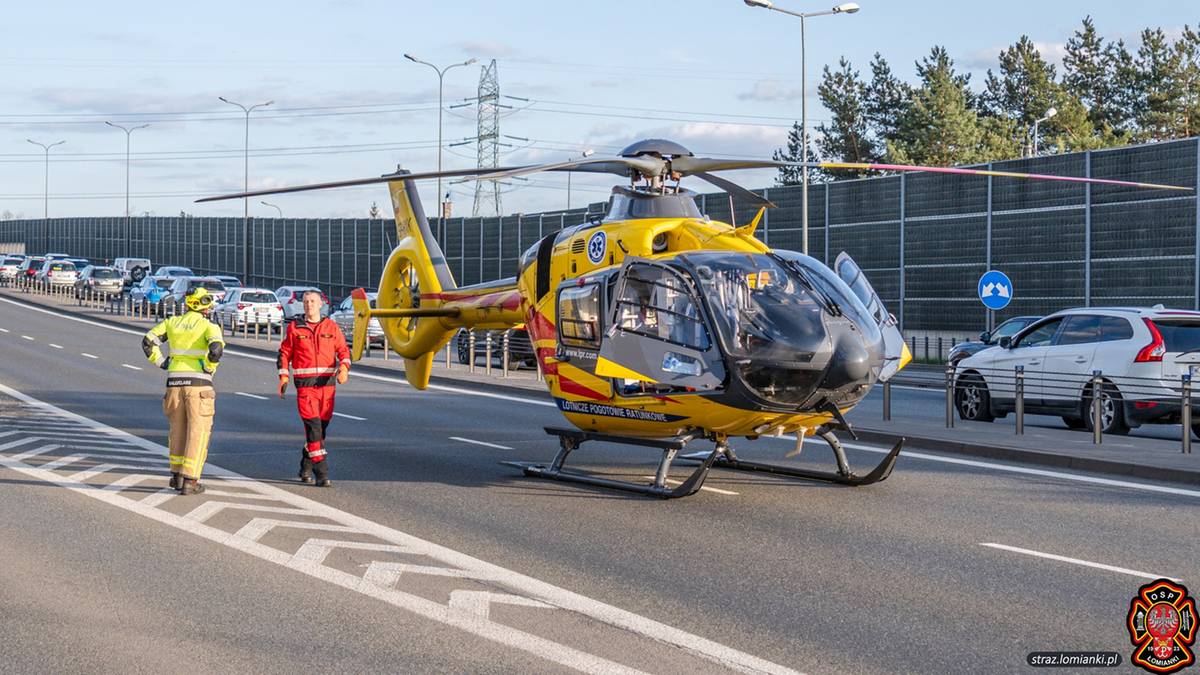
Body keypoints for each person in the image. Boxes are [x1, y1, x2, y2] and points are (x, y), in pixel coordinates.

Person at [141, 287, 224, 495]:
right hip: (199, 386)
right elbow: (216, 350)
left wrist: (163, 363)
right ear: (204, 305)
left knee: (177, 430)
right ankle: (190, 481)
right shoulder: (209, 326)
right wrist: (208, 367)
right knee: (198, 431)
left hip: (174, 383)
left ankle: (176, 476)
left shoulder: (172, 322)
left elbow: (148, 342)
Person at [277, 290, 350, 487]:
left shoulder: (331, 327)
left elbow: (343, 350)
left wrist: (344, 368)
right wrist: (284, 376)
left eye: (312, 301)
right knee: (314, 428)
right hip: (306, 388)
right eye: (306, 301)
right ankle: (322, 472)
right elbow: (284, 354)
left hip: (327, 387)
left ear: (321, 304)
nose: (309, 304)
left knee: (320, 431)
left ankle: (305, 466)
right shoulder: (295, 328)